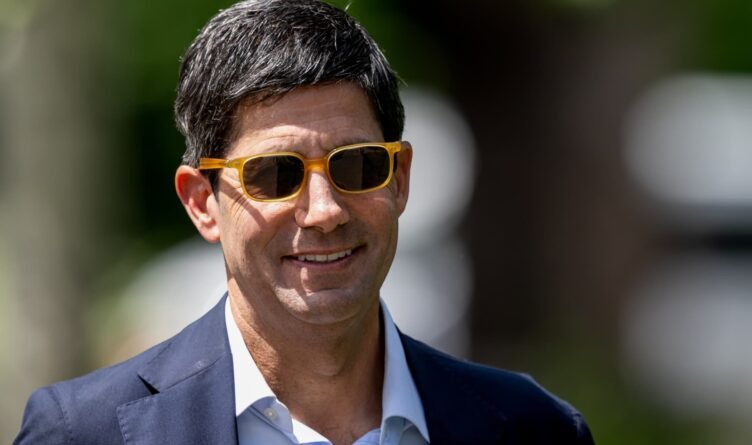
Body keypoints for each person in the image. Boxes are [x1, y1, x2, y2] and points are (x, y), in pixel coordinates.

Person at [14, 1, 594, 444]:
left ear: (399, 179)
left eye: (357, 166)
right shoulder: (82, 433)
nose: (325, 210)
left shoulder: (534, 429)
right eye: (275, 174)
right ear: (202, 202)